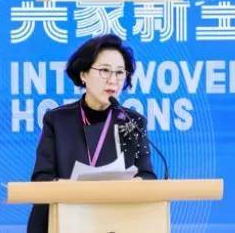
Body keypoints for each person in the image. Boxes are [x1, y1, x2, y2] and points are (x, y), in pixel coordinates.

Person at [27, 34, 156, 233]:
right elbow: (41, 179)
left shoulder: (133, 122)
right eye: (104, 70)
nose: (113, 80)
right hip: (65, 221)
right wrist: (74, 190)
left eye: (119, 72)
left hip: (118, 223)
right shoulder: (57, 120)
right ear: (83, 74)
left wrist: (132, 186)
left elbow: (147, 176)